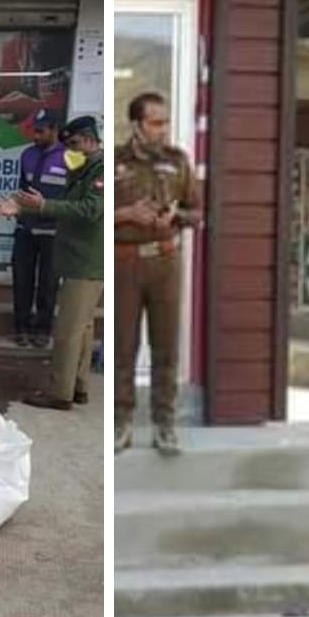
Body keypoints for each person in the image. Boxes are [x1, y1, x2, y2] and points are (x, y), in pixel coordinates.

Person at [0, 115, 103, 410]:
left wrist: (42, 205)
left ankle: (59, 392)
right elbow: (67, 201)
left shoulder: (103, 168)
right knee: (83, 326)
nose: (73, 149)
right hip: (76, 255)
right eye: (70, 145)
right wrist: (20, 208)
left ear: (91, 139)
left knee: (68, 328)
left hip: (86, 259)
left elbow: (90, 210)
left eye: (77, 143)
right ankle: (78, 385)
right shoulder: (84, 166)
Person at [115, 92, 201, 456]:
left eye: (165, 122)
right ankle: (120, 422)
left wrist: (176, 218)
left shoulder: (177, 161)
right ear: (136, 124)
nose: (163, 129)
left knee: (166, 345)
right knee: (123, 345)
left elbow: (197, 212)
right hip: (124, 260)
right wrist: (129, 214)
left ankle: (165, 423)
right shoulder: (116, 161)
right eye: (155, 123)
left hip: (165, 260)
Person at [12, 109, 67, 348]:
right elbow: (22, 190)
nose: (35, 135)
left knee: (48, 283)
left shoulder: (71, 158)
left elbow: (73, 197)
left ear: (54, 130)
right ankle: (21, 327)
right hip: (26, 228)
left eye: (40, 131)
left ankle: (43, 329)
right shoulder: (27, 155)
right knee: (22, 280)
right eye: (34, 130)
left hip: (54, 232)